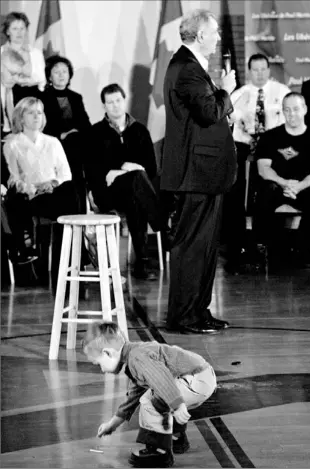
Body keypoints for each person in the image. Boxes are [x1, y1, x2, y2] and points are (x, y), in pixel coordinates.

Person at [160, 9, 237, 334]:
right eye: (215, 32)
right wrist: (226, 90)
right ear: (201, 35)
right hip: (196, 173)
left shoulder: (188, 65)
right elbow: (209, 113)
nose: (218, 38)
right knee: (192, 247)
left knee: (205, 247)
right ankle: (184, 316)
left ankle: (199, 311)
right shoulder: (187, 68)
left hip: (205, 174)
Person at [82, 321, 217, 468]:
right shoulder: (134, 356)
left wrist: (177, 405)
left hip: (196, 379)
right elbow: (133, 397)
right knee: (159, 398)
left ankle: (160, 453)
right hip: (199, 376)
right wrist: (113, 424)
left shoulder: (138, 357)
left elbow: (161, 378)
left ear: (107, 353)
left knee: (150, 402)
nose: (102, 370)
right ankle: (175, 438)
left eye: (98, 364)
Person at [86, 83, 168, 280]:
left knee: (136, 197)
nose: (115, 105)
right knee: (136, 183)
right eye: (110, 102)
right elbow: (94, 170)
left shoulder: (140, 130)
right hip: (107, 192)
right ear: (104, 106)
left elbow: (151, 168)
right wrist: (126, 167)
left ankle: (143, 263)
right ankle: (161, 230)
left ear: (124, 101)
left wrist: (121, 169)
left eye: (118, 101)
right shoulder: (95, 132)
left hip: (134, 192)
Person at [223, 53, 290, 273]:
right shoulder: (240, 94)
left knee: (266, 192)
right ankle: (239, 249)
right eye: (255, 70)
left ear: (269, 70)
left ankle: (264, 246)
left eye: (263, 69)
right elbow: (227, 121)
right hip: (243, 151)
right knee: (234, 194)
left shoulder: (282, 93)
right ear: (249, 71)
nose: (260, 73)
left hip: (273, 151)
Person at [3, 97, 79, 270]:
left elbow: (65, 174)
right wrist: (36, 186)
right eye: (31, 113)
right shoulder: (12, 144)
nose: (36, 116)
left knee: (71, 189)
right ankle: (73, 257)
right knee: (67, 205)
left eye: (39, 112)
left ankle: (69, 255)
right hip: (32, 197)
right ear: (21, 118)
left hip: (55, 193)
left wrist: (53, 182)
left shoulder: (53, 142)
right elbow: (13, 179)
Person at [252, 91, 310, 268]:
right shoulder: (270, 137)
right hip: (277, 188)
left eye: (296, 109)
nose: (291, 114)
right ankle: (265, 248)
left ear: (305, 109)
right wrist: (284, 183)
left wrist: (299, 186)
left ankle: (307, 250)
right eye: (287, 110)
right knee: (266, 189)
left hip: (304, 190)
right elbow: (263, 169)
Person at [42, 55, 91, 213]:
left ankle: (82, 215)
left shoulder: (76, 98)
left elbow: (86, 125)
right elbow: (41, 127)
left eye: (65, 71)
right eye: (57, 71)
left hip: (75, 145)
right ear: (49, 75)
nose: (62, 75)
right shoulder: (42, 97)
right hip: (53, 146)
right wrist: (61, 135)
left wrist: (73, 133)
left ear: (70, 74)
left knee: (79, 143)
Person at [1, 11, 46, 104]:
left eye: (22, 28)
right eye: (15, 29)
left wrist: (27, 79)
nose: (19, 32)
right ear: (7, 31)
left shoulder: (35, 53)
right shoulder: (1, 52)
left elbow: (42, 79)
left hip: (33, 97)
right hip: (7, 96)